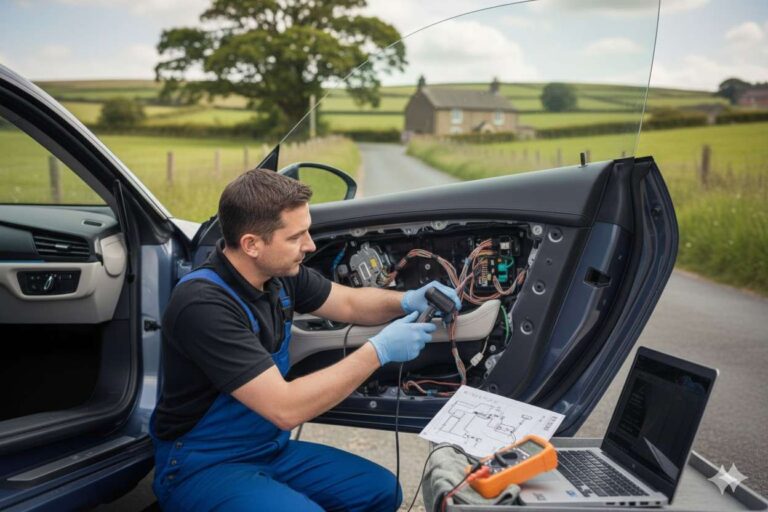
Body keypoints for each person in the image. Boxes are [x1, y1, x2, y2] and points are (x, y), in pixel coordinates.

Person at [150, 169, 461, 512]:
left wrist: (406, 299)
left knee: (380, 491)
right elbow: (285, 408)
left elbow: (348, 302)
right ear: (252, 244)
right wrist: (379, 350)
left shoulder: (279, 277)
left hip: (268, 450)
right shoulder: (203, 304)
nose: (310, 245)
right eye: (296, 237)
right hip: (203, 465)